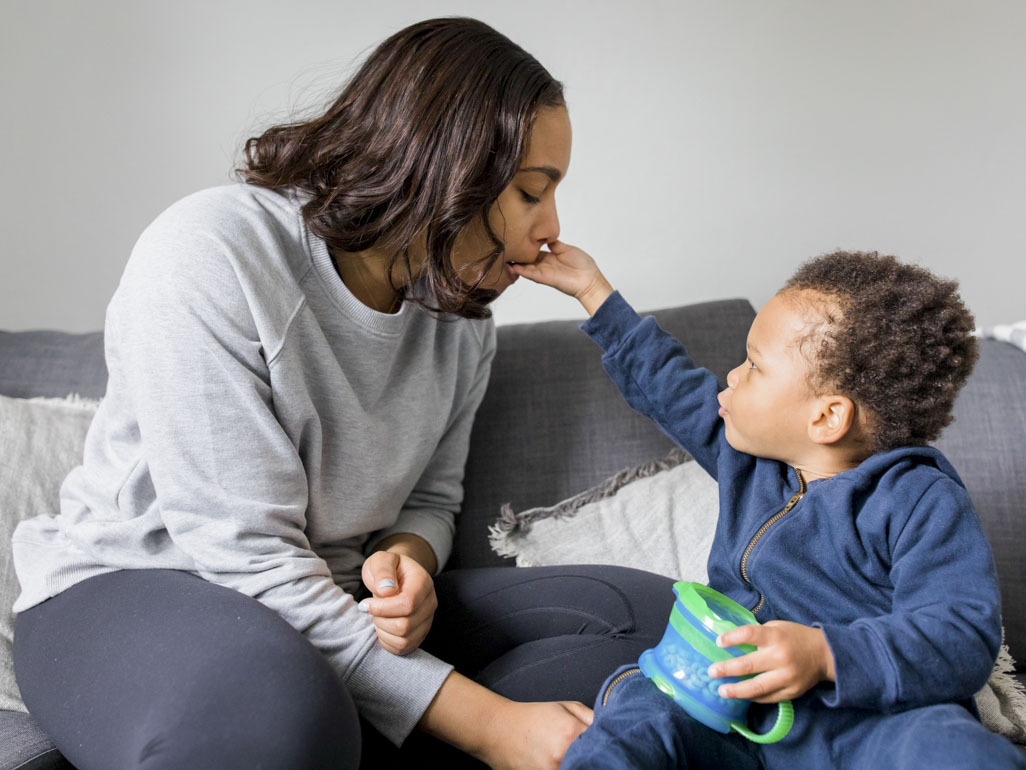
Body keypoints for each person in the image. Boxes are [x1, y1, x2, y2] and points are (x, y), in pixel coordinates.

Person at [11, 18, 676, 770]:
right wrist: (489, 724)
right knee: (281, 714)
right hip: (137, 588)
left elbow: (434, 495)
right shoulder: (209, 252)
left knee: (660, 627)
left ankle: (367, 722)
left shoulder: (461, 321)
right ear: (443, 165)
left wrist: (407, 560)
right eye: (531, 192)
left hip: (332, 602)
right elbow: (246, 556)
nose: (551, 229)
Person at [510, 245, 1026, 768]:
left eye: (754, 365)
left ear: (827, 418)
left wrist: (826, 655)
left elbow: (960, 633)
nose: (731, 377)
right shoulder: (747, 460)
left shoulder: (920, 499)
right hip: (730, 716)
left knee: (948, 744)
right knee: (639, 712)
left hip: (867, 729)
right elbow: (671, 388)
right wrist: (595, 294)